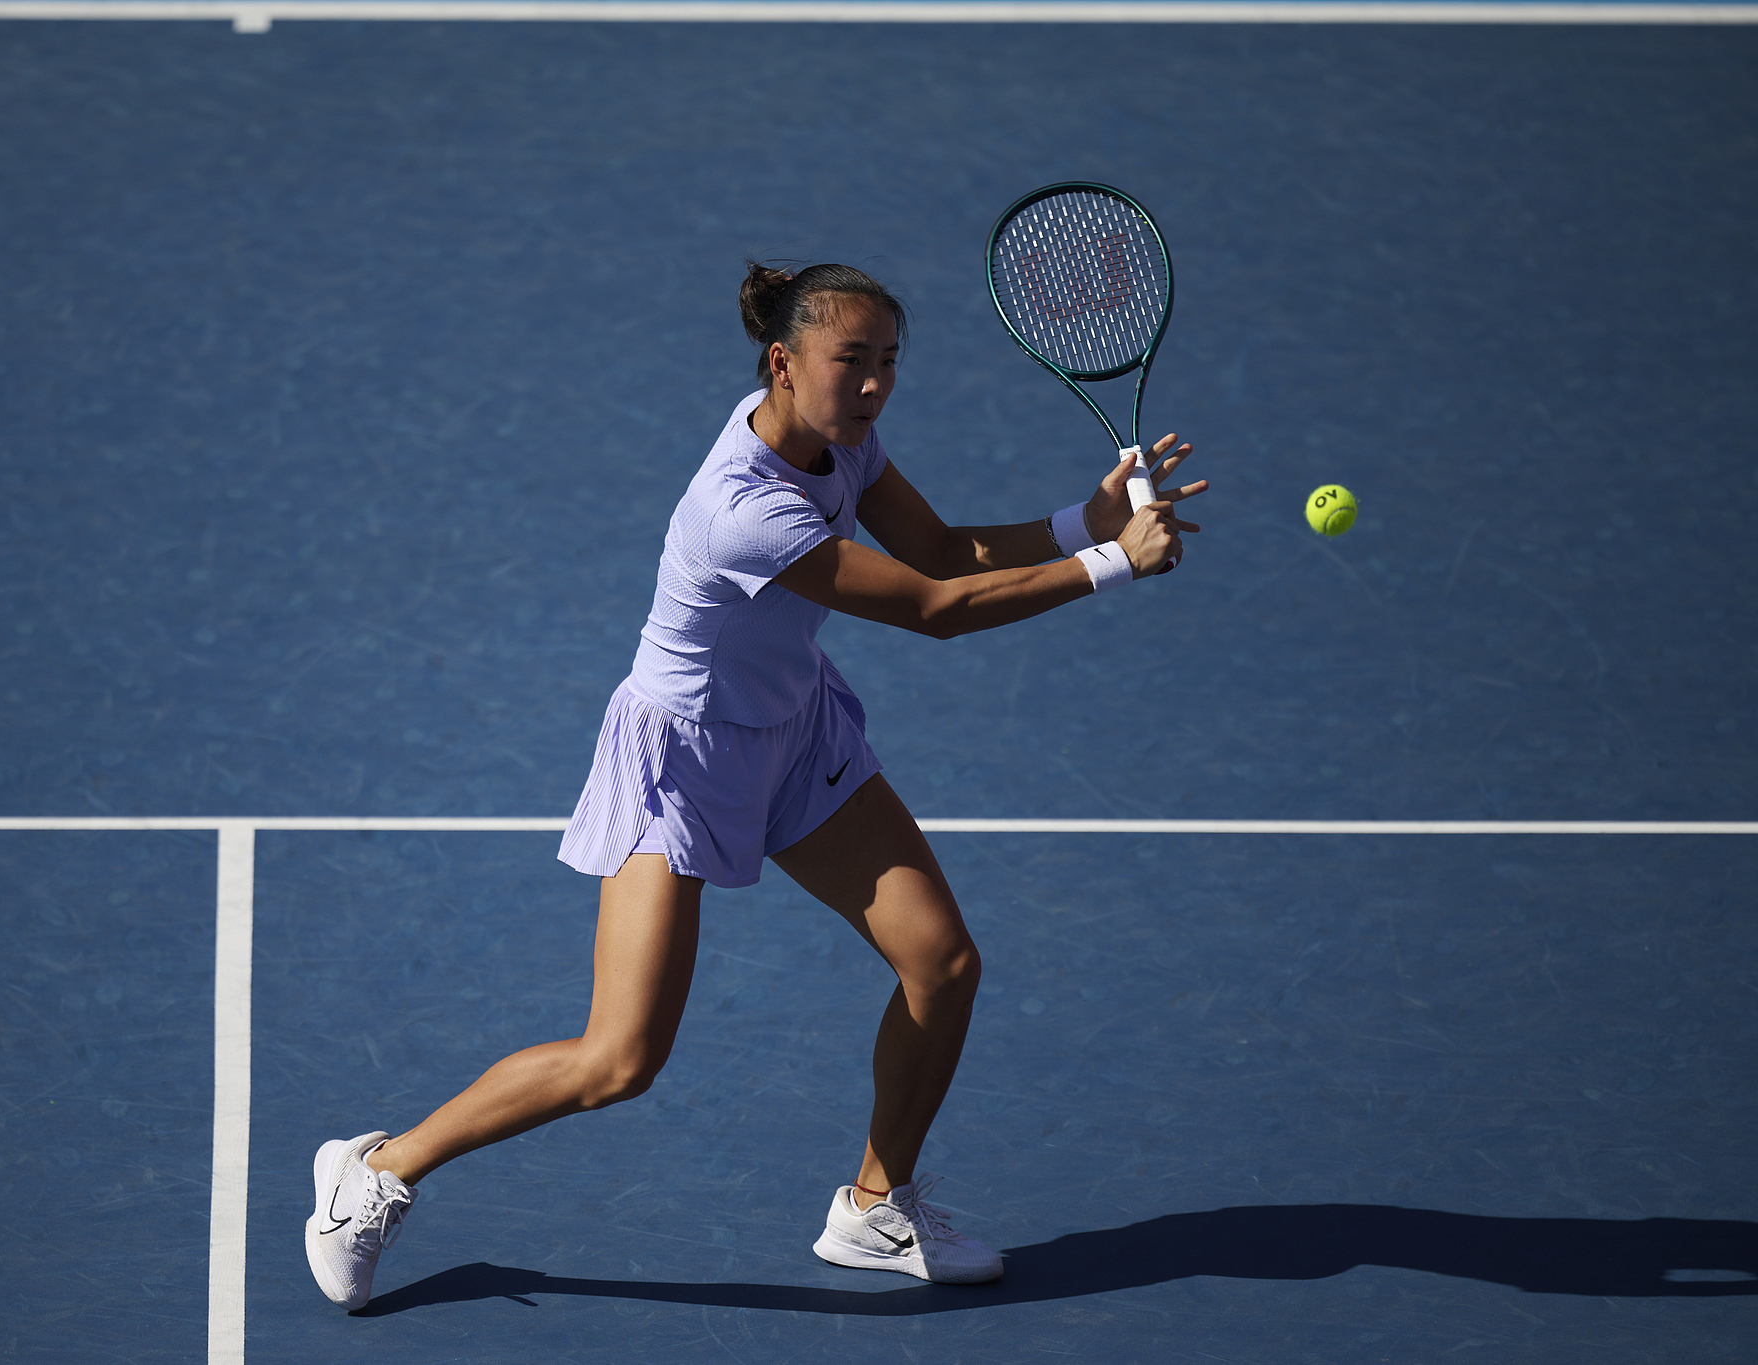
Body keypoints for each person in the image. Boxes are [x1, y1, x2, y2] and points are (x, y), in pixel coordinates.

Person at [305, 261, 1205, 1309]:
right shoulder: (745, 510)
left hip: (792, 731)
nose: (870, 388)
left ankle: (875, 1207)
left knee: (941, 963)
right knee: (620, 1059)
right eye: (849, 364)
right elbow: (932, 607)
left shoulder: (841, 443)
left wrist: (1080, 524)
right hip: (682, 761)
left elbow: (942, 547)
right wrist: (1113, 568)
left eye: (886, 365)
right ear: (782, 364)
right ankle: (374, 1173)